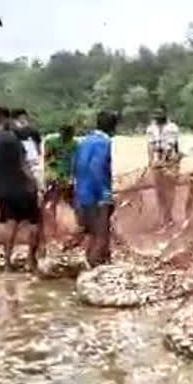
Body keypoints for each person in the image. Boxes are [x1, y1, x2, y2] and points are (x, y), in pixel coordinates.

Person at [0, 107, 42, 270]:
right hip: (21, 187)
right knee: (35, 222)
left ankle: (7, 262)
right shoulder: (11, 139)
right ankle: (30, 260)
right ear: (3, 119)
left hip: (0, 189)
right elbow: (23, 164)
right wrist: (35, 184)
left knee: (10, 222)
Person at [74, 111, 118, 267]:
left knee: (91, 233)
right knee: (101, 234)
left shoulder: (84, 141)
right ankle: (94, 270)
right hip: (96, 195)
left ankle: (92, 263)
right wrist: (105, 194)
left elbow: (76, 166)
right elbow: (97, 167)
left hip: (81, 193)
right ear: (113, 128)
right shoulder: (104, 142)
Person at [146, 109, 181, 227]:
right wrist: (151, 161)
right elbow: (150, 145)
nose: (158, 116)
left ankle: (168, 215)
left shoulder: (172, 127)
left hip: (171, 160)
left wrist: (162, 162)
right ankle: (163, 215)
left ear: (166, 114)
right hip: (158, 159)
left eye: (160, 113)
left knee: (169, 188)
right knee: (159, 190)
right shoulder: (151, 128)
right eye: (156, 113)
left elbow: (169, 146)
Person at [43, 124, 78, 233]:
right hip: (54, 175)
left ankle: (78, 224)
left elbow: (75, 162)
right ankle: (52, 228)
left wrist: (72, 177)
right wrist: (51, 176)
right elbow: (47, 159)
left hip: (67, 176)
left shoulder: (75, 144)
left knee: (73, 201)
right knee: (52, 202)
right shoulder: (51, 141)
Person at [12, 108, 43, 190]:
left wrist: (38, 153)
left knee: (33, 176)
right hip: (21, 158)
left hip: (31, 157)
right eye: (22, 117)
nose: (24, 118)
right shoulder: (13, 130)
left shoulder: (32, 130)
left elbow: (38, 142)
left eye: (24, 117)